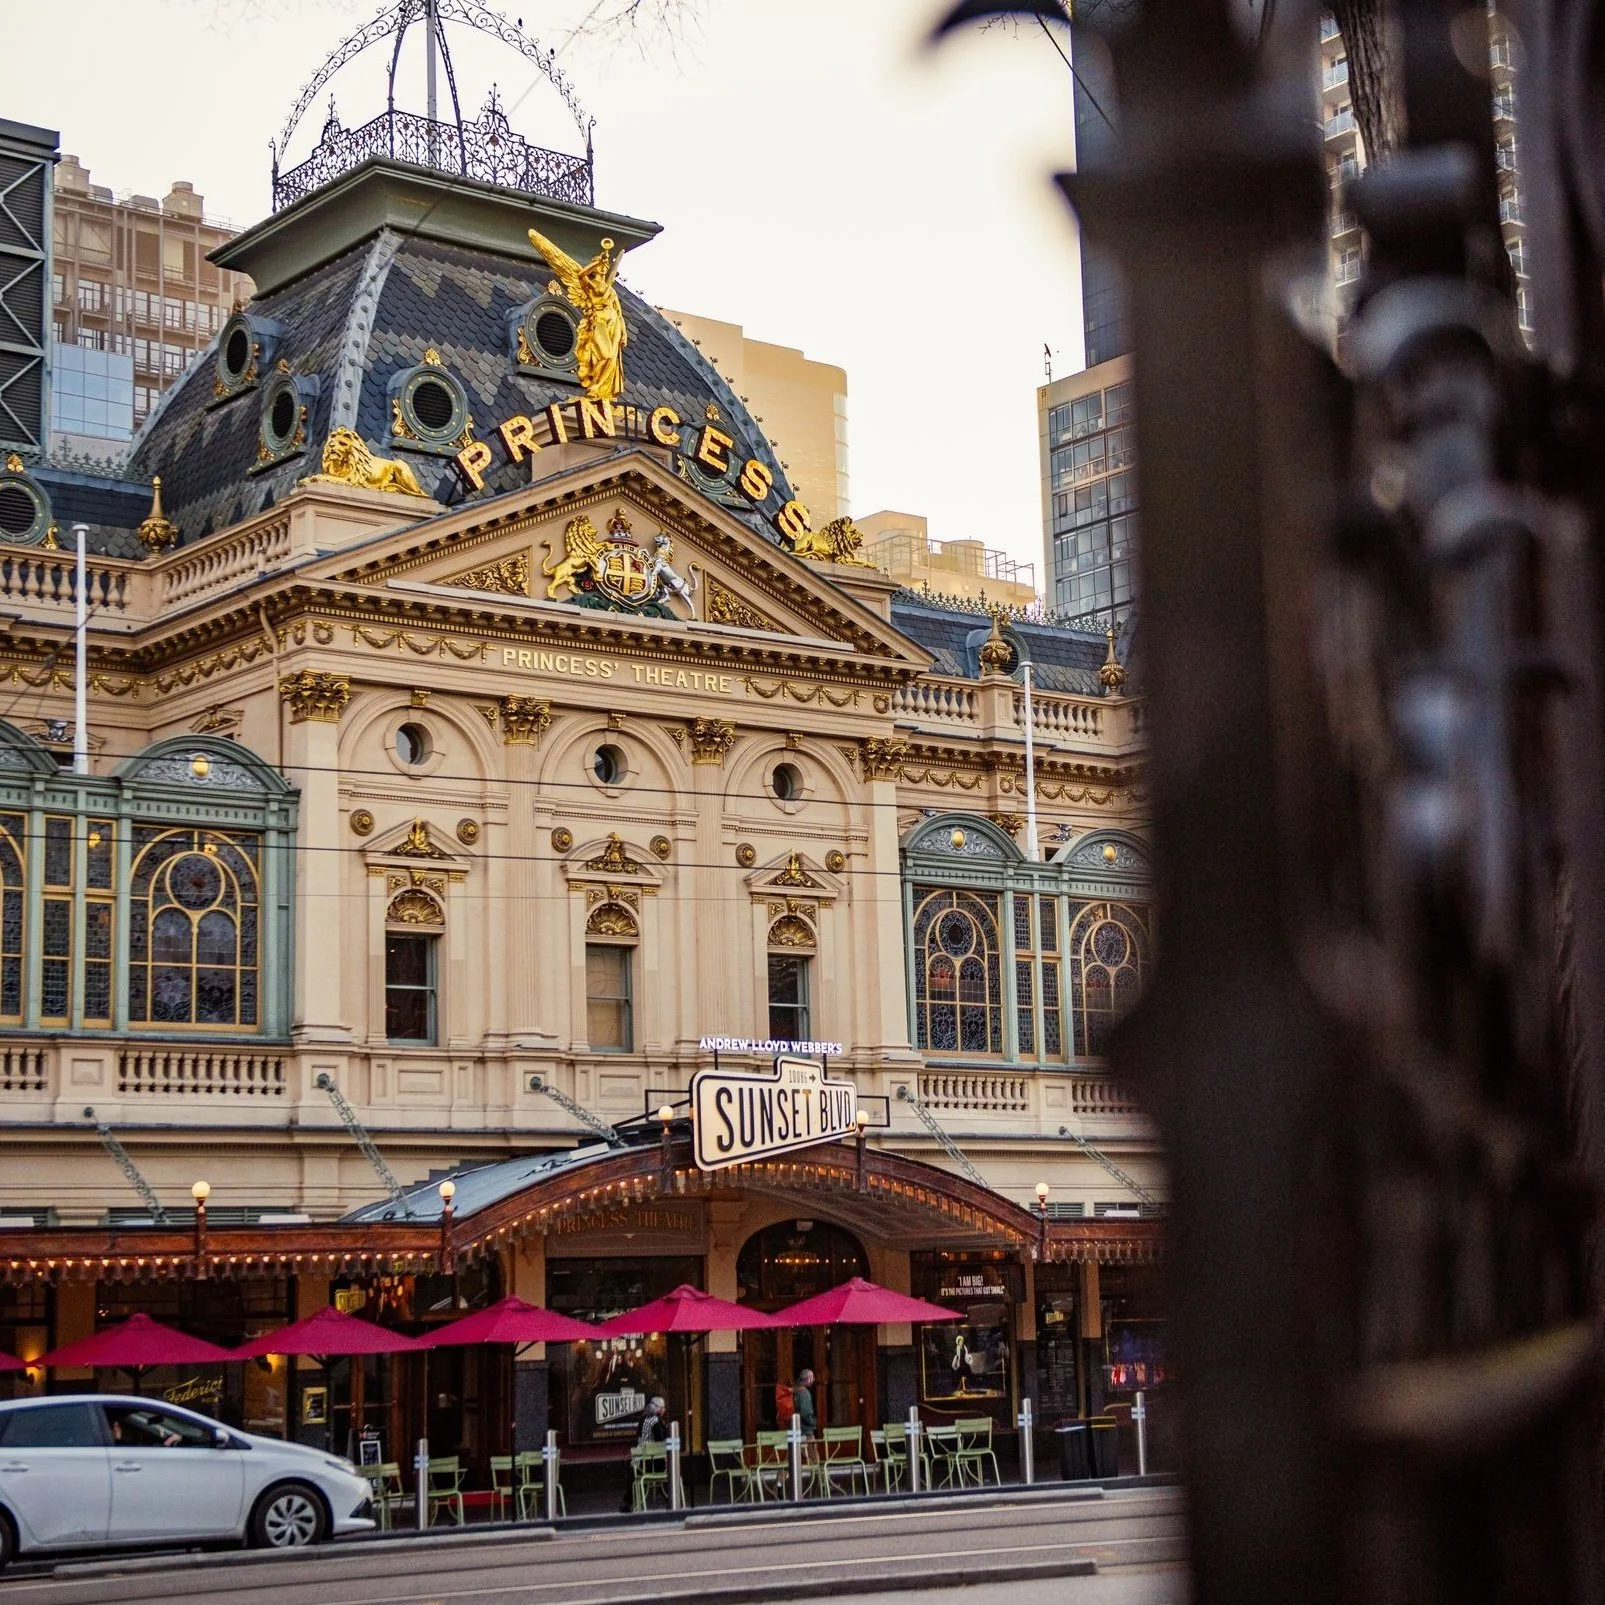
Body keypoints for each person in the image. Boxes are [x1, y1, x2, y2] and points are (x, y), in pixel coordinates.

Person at [794, 1370, 817, 1436]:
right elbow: (805, 1413)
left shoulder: (796, 1389)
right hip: (805, 1431)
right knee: (811, 1445)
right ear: (808, 1379)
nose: (814, 1379)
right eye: (812, 1377)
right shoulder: (804, 1393)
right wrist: (813, 1422)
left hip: (795, 1427)